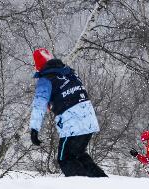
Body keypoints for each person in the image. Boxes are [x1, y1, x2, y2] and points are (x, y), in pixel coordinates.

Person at [29, 48, 107, 177]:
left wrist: (34, 129)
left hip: (73, 123)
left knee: (65, 158)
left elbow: (39, 105)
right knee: (79, 155)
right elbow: (69, 93)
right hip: (89, 119)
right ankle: (103, 182)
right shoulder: (69, 72)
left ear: (38, 65)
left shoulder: (45, 79)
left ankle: (80, 185)